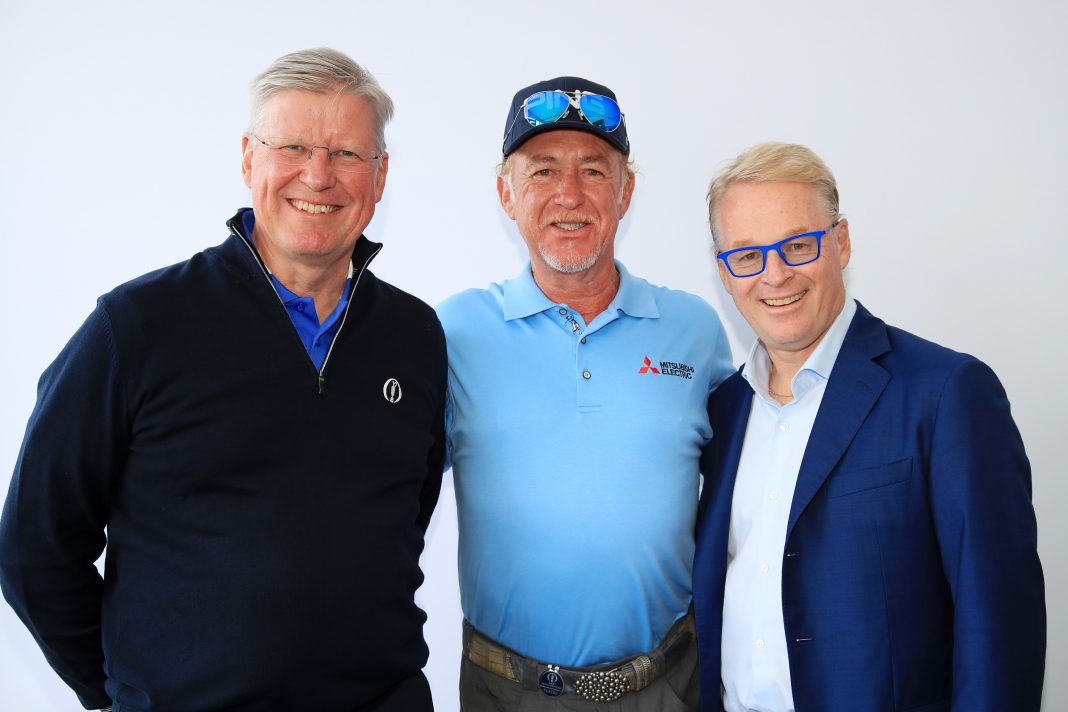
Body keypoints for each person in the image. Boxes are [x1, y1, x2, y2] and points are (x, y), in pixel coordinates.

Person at [0, 48, 446, 711]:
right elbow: (35, 548)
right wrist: (129, 690)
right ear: (248, 159)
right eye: (293, 146)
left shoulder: (415, 335)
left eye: (348, 154)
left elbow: (408, 518)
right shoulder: (138, 327)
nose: (319, 176)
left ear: (380, 178)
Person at [693, 142, 1046, 711]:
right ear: (724, 271)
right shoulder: (722, 411)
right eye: (747, 255)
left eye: (798, 245)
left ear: (841, 242)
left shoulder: (946, 393)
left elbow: (999, 623)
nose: (775, 274)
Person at [437, 77, 734, 711]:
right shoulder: (454, 333)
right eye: (542, 170)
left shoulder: (694, 330)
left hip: (668, 687)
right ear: (506, 194)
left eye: (594, 171)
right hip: (504, 693)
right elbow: (378, 489)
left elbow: (751, 491)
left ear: (625, 193)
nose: (569, 195)